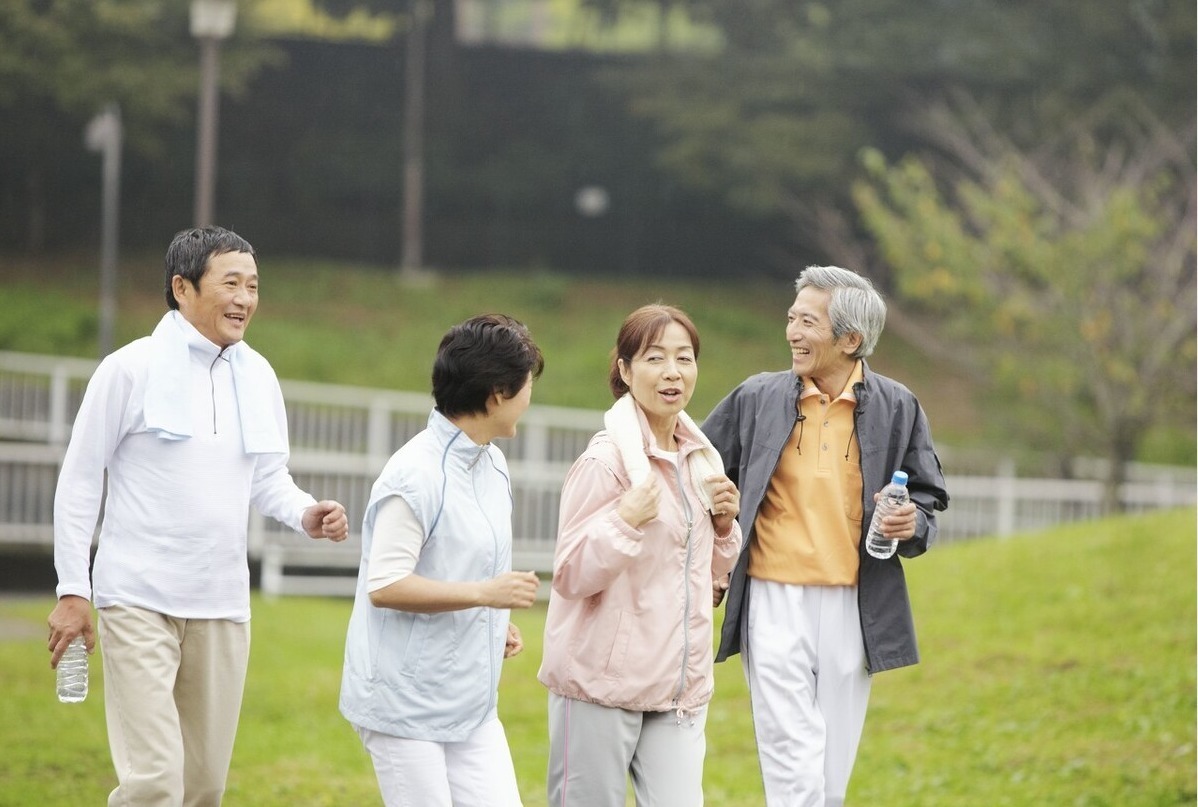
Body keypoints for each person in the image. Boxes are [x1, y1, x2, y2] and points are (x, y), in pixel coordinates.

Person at [46, 226, 350, 806]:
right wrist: (71, 589)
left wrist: (307, 513)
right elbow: (81, 481)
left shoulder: (258, 375)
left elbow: (267, 479)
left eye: (253, 286)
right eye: (230, 283)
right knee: (155, 782)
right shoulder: (127, 369)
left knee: (203, 787)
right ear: (181, 288)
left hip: (222, 604)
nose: (244, 299)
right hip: (136, 598)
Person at [702, 265, 950, 807]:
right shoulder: (756, 397)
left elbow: (928, 500)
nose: (792, 331)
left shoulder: (898, 406)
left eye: (807, 322)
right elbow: (695, 465)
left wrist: (913, 524)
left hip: (854, 603)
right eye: (792, 318)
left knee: (831, 767)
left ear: (851, 339)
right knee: (791, 756)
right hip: (772, 597)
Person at [538, 304, 744, 807]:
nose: (673, 372)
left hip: (677, 691)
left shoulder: (701, 461)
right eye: (655, 358)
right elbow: (569, 574)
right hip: (598, 688)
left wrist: (723, 528)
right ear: (626, 371)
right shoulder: (605, 463)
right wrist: (624, 520)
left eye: (685, 358)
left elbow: (706, 581)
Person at [340, 314, 545, 807]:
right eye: (527, 386)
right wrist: (484, 596)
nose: (529, 398)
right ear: (498, 393)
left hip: (471, 707)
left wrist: (492, 624)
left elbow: (461, 565)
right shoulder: (414, 474)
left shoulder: (491, 462)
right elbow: (385, 585)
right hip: (404, 709)